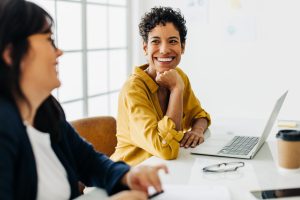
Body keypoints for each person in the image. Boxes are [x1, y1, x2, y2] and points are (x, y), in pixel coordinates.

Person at [0, 1, 167, 199]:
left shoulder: (47, 110)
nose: (59, 51)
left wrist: (128, 175)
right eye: (49, 40)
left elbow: (89, 161)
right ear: (11, 54)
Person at [111, 7, 211, 166]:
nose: (164, 50)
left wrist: (196, 131)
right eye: (155, 41)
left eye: (172, 41)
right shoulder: (134, 89)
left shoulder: (179, 76)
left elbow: (199, 115)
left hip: (164, 170)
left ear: (182, 47)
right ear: (145, 48)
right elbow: (165, 148)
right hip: (130, 174)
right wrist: (176, 90)